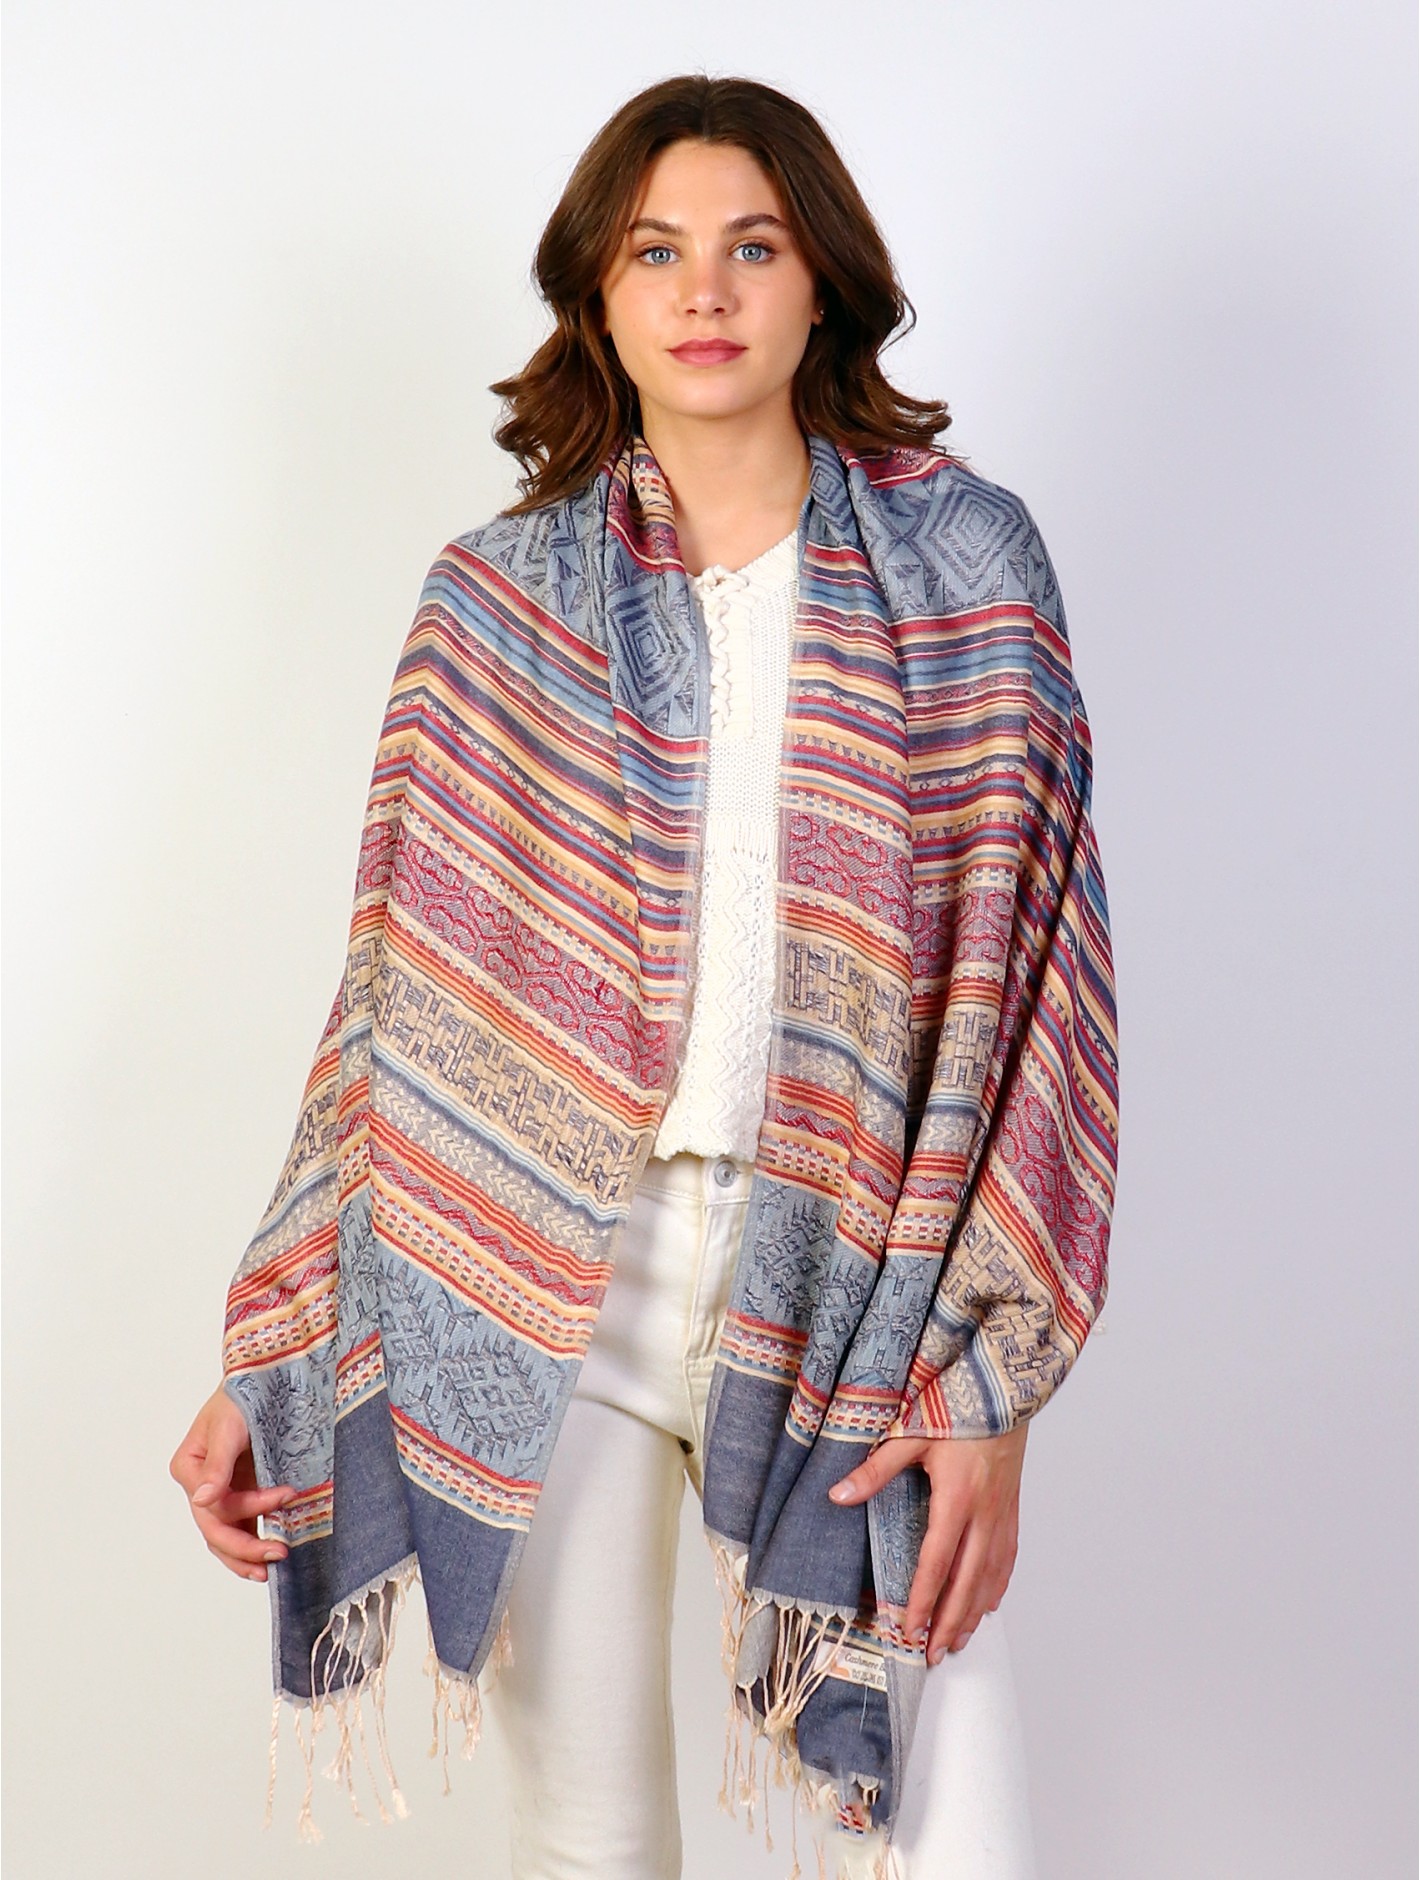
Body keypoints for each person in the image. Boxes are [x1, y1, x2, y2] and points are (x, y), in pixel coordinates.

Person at [170, 74, 1118, 1880]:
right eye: (655, 252)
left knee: (949, 1837)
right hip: (552, 1269)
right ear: (595, 299)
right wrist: (274, 1340)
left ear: (823, 282)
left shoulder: (970, 570)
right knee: (591, 1843)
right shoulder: (493, 602)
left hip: (863, 1273)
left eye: (753, 247)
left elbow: (1046, 979)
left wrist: (995, 1392)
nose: (705, 292)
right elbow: (388, 1016)